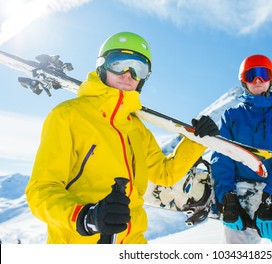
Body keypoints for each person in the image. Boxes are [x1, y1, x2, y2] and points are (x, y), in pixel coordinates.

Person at [25, 32, 219, 244]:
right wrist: (86, 217)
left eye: (139, 69)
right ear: (102, 66)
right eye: (119, 64)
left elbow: (165, 174)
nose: (129, 74)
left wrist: (196, 141)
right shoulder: (68, 116)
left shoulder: (136, 128)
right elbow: (40, 191)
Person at [210, 54, 272, 243]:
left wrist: (271, 200)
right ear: (244, 81)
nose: (258, 80)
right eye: (252, 75)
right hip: (241, 196)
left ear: (271, 79)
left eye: (263, 74)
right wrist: (228, 198)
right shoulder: (232, 115)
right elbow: (222, 157)